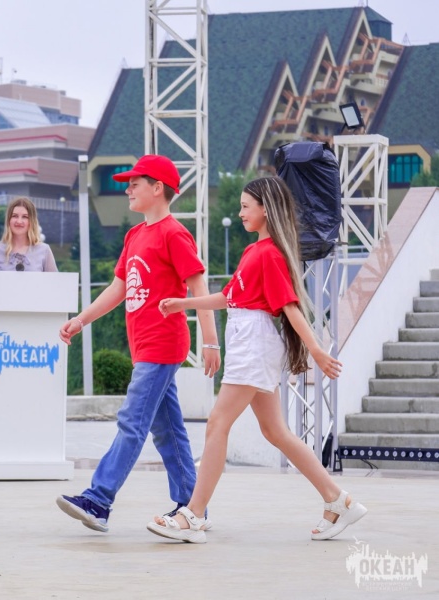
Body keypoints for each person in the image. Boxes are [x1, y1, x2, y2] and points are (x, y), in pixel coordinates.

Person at [147, 176, 366, 544]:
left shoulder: (269, 254)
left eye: (246, 206)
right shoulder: (256, 251)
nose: (240, 212)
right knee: (275, 431)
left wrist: (316, 349)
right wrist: (184, 303)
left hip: (254, 343)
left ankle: (193, 515)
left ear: (266, 209)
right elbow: (230, 297)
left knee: (217, 423)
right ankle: (338, 500)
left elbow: (290, 306)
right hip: (249, 340)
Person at [55, 155, 220, 532]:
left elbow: (198, 286)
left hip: (163, 344)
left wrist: (211, 342)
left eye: (135, 183)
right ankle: (192, 507)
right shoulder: (135, 236)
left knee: (132, 421)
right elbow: (118, 288)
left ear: (157, 188)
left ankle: (99, 500)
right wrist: (81, 320)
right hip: (144, 346)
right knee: (168, 431)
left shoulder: (174, 233)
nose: (127, 189)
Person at [0, 197, 57, 272]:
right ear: (9, 220)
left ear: (32, 221)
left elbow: (54, 279)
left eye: (25, 217)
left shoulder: (44, 250)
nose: (19, 221)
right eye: (15, 216)